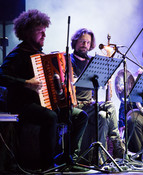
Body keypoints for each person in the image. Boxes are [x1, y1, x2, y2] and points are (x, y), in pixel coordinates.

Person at [0, 9, 88, 171]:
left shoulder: (40, 54)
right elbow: (1, 77)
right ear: (27, 33)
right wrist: (25, 82)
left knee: (79, 115)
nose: (44, 36)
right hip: (22, 105)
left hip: (41, 103)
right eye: (40, 32)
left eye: (45, 31)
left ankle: (66, 159)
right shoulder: (17, 55)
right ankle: (47, 166)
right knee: (50, 116)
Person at [70, 28, 125, 164]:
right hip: (76, 105)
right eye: (82, 41)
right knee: (106, 110)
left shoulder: (91, 61)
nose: (85, 45)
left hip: (90, 104)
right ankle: (118, 146)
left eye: (88, 42)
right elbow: (70, 83)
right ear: (75, 42)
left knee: (104, 114)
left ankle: (100, 159)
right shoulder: (68, 60)